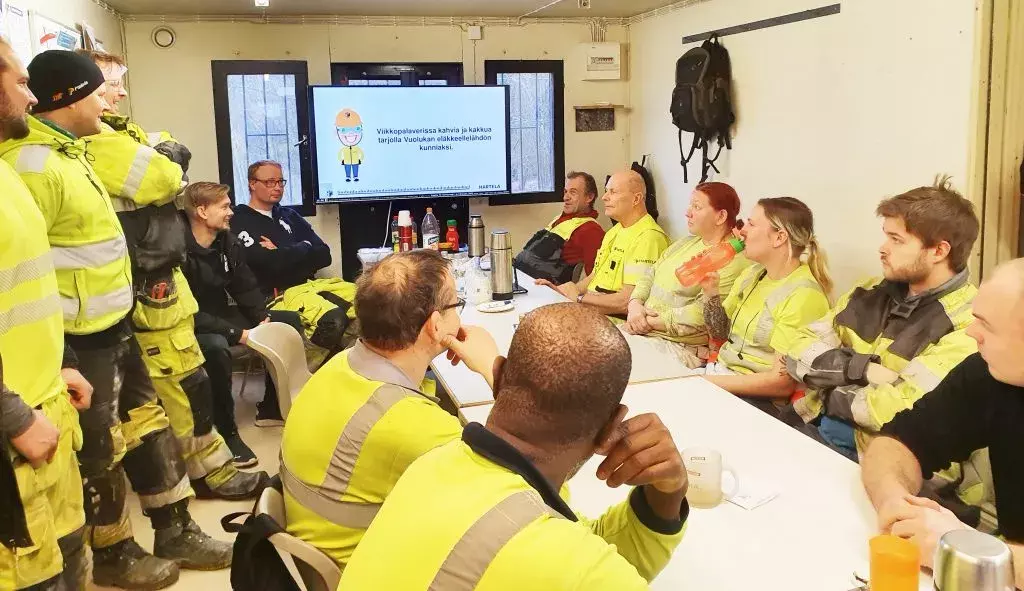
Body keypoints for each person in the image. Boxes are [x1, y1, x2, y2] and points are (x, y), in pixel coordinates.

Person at [0, 49, 230, 589]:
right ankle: (115, 550)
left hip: (112, 326)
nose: (111, 98)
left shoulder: (74, 151)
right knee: (100, 449)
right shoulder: (30, 164)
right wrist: (64, 355)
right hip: (76, 341)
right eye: (97, 90)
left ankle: (172, 525)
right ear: (70, 98)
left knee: (147, 427)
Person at [339, 303, 690, 589]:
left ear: (500, 375)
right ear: (609, 430)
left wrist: (664, 497)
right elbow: (587, 565)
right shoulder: (575, 568)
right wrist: (673, 491)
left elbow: (587, 549)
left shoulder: (429, 465)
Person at [80, 52, 267, 501]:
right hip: (135, 291)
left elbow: (169, 152)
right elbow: (164, 175)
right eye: (112, 83)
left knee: (187, 387)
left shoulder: (118, 135)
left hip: (156, 288)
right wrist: (162, 156)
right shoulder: (93, 145)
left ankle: (202, 478)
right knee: (177, 389)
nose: (122, 93)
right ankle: (201, 482)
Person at [280, 250, 482, 568]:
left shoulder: (339, 366)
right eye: (456, 305)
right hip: (368, 568)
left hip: (324, 548)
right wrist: (494, 369)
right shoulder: (411, 423)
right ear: (434, 325)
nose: (460, 315)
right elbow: (526, 484)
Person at [786, 178, 979, 461]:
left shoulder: (968, 321)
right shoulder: (867, 292)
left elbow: (902, 409)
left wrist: (825, 390)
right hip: (812, 429)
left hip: (889, 465)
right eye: (885, 235)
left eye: (896, 239)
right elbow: (796, 350)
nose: (882, 248)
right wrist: (860, 370)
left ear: (939, 251)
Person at [861, 259, 1024, 589]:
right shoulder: (990, 373)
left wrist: (967, 550)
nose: (970, 332)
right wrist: (893, 499)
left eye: (986, 326)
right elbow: (895, 443)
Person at [0, 38, 89, 591]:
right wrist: (14, 418)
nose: (32, 99)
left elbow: (27, 289)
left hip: (45, 405)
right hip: (15, 435)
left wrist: (63, 360)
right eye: (20, 82)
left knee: (67, 563)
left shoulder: (6, 175)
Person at [699, 197, 832, 413]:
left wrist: (707, 383)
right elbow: (720, 333)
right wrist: (711, 292)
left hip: (757, 400)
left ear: (779, 237)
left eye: (751, 224)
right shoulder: (753, 274)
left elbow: (780, 384)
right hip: (720, 375)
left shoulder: (804, 295)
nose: (742, 231)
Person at [182, 182, 268, 467]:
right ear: (202, 211)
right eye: (225, 207)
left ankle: (274, 408)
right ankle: (228, 431)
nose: (231, 212)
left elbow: (244, 285)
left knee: (285, 322)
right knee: (216, 348)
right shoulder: (176, 248)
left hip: (217, 314)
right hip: (185, 323)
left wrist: (261, 317)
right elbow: (186, 311)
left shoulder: (225, 240)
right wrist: (237, 333)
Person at [623, 182, 751, 369]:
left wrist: (644, 322)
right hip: (641, 330)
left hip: (678, 346)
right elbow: (650, 275)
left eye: (697, 207)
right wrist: (635, 305)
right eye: (690, 205)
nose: (688, 212)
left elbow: (700, 316)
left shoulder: (732, 260)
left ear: (721, 216)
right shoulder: (685, 243)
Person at [537, 169, 669, 317]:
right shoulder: (614, 231)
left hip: (615, 320)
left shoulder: (648, 237)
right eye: (606, 191)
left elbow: (627, 302)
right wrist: (563, 290)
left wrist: (579, 299)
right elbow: (593, 278)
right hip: (591, 311)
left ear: (636, 199)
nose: (605, 197)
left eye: (613, 192)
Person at [231, 160, 333, 297]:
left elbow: (325, 255)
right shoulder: (238, 219)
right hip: (276, 296)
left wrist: (282, 251)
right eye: (270, 182)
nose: (278, 187)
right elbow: (269, 265)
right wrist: (305, 246)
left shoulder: (289, 215)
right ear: (253, 184)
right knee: (335, 317)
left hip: (310, 287)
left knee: (358, 299)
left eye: (280, 182)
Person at [514, 171, 606, 283]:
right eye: (565, 191)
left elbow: (596, 278)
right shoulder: (559, 219)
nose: (565, 197)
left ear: (589, 197)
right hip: (520, 279)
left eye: (573, 192)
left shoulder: (591, 230)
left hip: (545, 292)